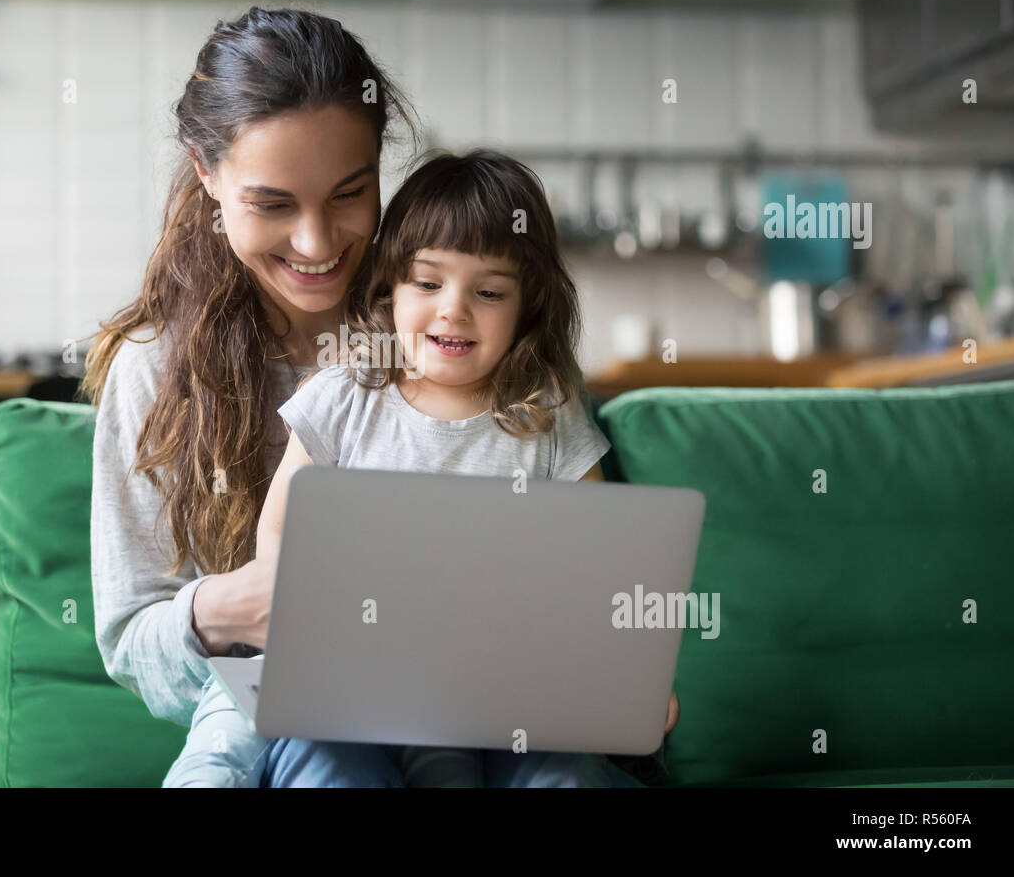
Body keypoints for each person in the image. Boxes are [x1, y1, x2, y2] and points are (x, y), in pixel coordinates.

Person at [160, 149, 679, 787]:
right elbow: (277, 544)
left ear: (527, 307)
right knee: (324, 768)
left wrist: (628, 675)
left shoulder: (545, 413)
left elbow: (599, 562)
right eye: (428, 283)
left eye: (488, 292)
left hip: (504, 694)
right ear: (390, 288)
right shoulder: (347, 395)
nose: (454, 310)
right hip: (356, 689)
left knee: (565, 775)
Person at [83, 5, 422, 786]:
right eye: (273, 204)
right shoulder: (155, 367)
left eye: (349, 193)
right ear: (207, 176)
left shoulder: (443, 332)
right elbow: (132, 643)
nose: (317, 243)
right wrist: (226, 609)